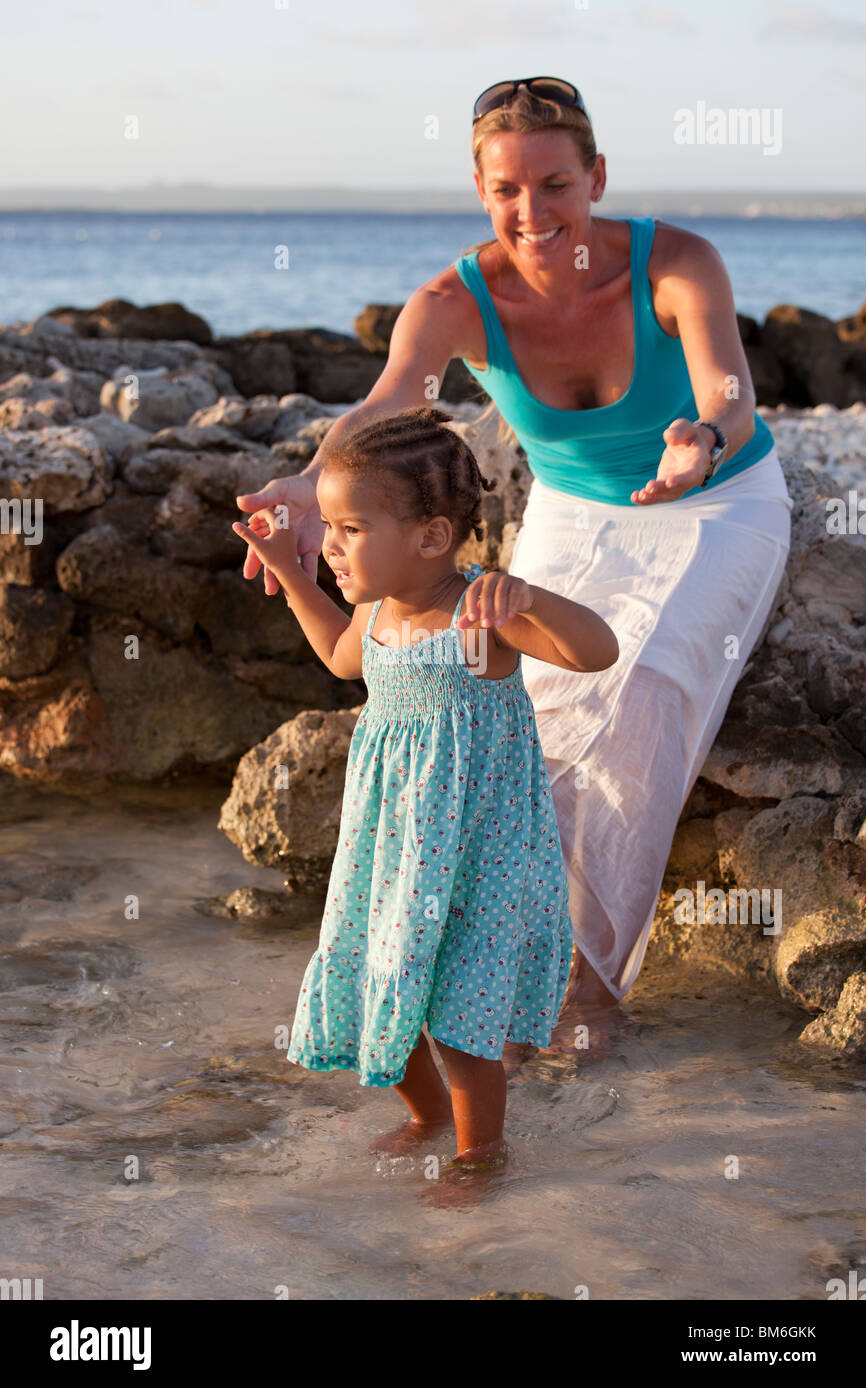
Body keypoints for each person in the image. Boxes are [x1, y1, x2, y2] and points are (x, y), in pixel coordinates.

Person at [236, 76, 793, 1045]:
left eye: (554, 184)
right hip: (576, 509)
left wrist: (700, 438)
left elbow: (727, 384)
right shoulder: (456, 296)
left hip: (714, 502)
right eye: (505, 190)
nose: (531, 212)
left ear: (595, 178)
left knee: (643, 686)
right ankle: (501, 954)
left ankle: (584, 984)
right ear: (479, 188)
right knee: (524, 710)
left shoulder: (676, 261)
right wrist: (300, 484)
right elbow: (388, 403)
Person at [231, 406, 618, 1167]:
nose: (330, 544)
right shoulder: (375, 606)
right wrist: (285, 566)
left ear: (431, 538)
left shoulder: (477, 614)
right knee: (377, 983)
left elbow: (596, 651)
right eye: (329, 529)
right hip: (389, 845)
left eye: (349, 529)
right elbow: (344, 659)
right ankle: (428, 1118)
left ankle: (482, 1158)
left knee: (459, 1017)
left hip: (476, 851)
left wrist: (530, 598)